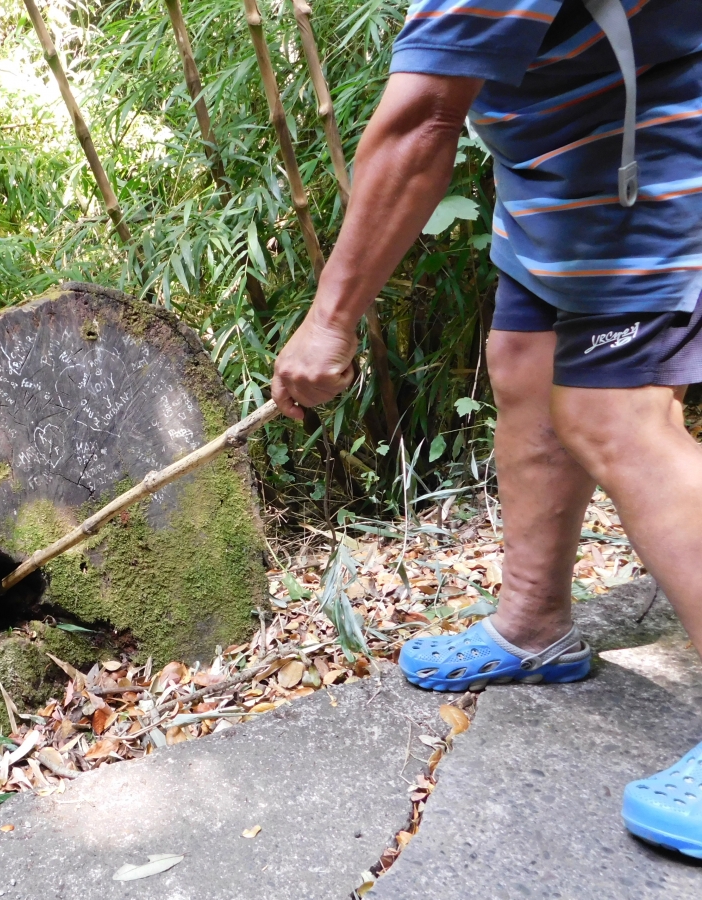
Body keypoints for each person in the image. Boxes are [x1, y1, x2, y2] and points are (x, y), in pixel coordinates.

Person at [270, 0, 702, 858]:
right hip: (562, 165)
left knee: (617, 416)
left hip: (652, 157)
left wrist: (331, 319)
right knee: (524, 362)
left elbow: (425, 119)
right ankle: (533, 626)